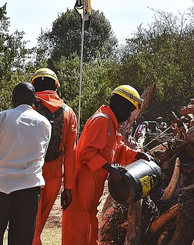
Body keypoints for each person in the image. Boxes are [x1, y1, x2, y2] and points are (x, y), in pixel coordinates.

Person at [63, 85, 151, 245]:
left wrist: (137, 155)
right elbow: (85, 153)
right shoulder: (102, 120)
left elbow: (116, 151)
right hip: (83, 182)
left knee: (89, 227)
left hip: (92, 184)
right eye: (130, 109)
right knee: (78, 230)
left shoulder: (110, 122)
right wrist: (111, 169)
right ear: (121, 104)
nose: (129, 114)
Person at [0, 82, 51, 245]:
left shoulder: (1, 117)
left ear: (14, 99)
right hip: (29, 189)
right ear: (34, 101)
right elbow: (41, 154)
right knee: (22, 240)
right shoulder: (45, 123)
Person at [29, 68, 78, 245]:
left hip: (29, 173)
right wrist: (69, 187)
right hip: (54, 176)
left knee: (30, 224)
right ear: (56, 87)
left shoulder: (28, 107)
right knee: (38, 224)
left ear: (33, 86)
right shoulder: (69, 113)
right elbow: (71, 153)